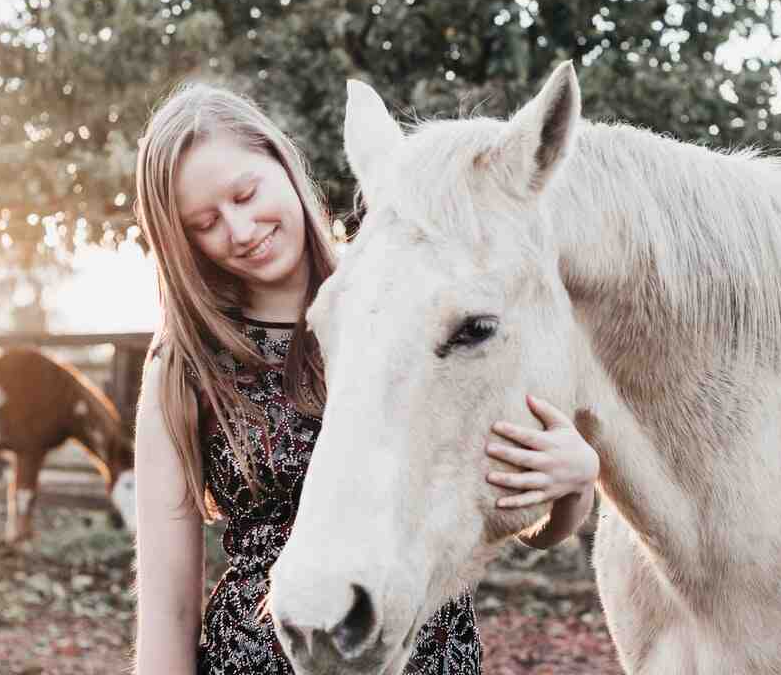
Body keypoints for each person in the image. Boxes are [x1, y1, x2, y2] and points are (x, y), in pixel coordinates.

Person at [131, 82, 600, 675]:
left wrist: (575, 482)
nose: (241, 229)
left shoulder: (420, 307)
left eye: (246, 194)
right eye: (205, 222)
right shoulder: (184, 368)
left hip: (423, 656)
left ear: (282, 162)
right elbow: (169, 609)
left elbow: (526, 521)